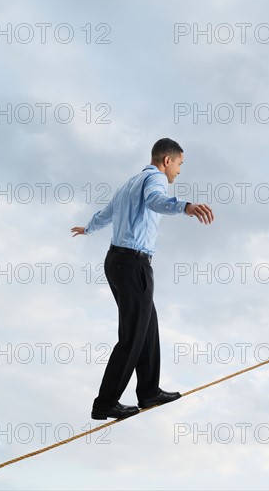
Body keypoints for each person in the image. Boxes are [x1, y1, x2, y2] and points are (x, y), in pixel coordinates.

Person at [71, 138, 214, 420]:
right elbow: (156, 201)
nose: (179, 172)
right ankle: (105, 403)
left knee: (148, 326)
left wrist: (87, 228)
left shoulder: (129, 184)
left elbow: (105, 214)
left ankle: (149, 391)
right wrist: (184, 206)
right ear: (167, 161)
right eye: (180, 164)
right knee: (133, 336)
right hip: (133, 263)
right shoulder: (156, 181)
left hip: (118, 261)